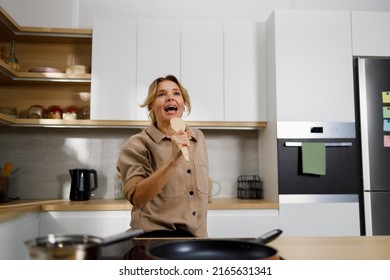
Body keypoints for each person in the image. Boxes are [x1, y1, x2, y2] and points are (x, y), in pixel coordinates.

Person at [117, 75, 209, 237]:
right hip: (153, 239)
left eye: (176, 93)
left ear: (183, 103)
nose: (170, 98)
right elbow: (137, 198)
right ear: (150, 107)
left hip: (197, 239)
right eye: (161, 94)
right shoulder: (136, 145)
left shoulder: (198, 138)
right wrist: (174, 161)